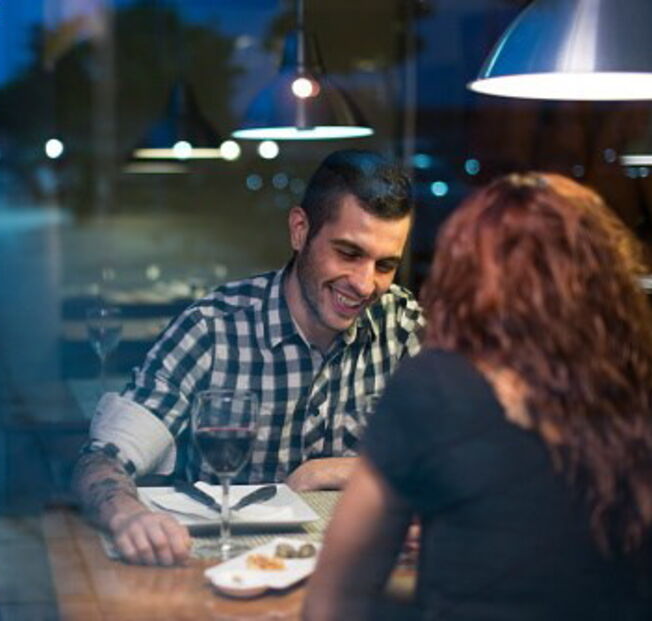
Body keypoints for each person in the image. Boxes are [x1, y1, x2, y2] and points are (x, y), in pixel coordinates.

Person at [304, 173, 652, 620]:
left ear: (466, 279)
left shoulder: (433, 388)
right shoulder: (634, 397)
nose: (367, 282)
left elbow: (333, 601)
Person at [72, 149, 425, 566]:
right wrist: (128, 516)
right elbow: (100, 460)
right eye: (348, 253)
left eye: (385, 264)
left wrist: (329, 471)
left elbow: (454, 456)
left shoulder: (401, 324)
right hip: (219, 575)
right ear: (299, 230)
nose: (366, 284)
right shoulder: (211, 328)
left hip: (350, 578)